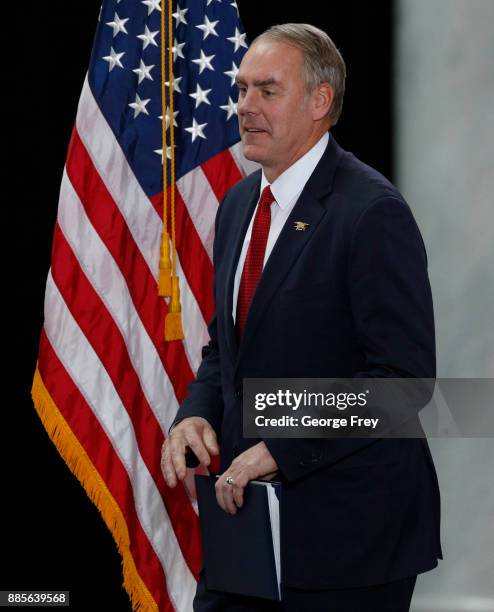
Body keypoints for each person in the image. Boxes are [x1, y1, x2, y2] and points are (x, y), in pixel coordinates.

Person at [161, 23, 442, 612]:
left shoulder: (372, 212)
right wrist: (194, 413)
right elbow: (227, 350)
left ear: (320, 102)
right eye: (241, 90)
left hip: (349, 540)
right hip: (247, 532)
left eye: (267, 90)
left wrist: (283, 447)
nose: (244, 107)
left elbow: (403, 382)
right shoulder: (240, 205)